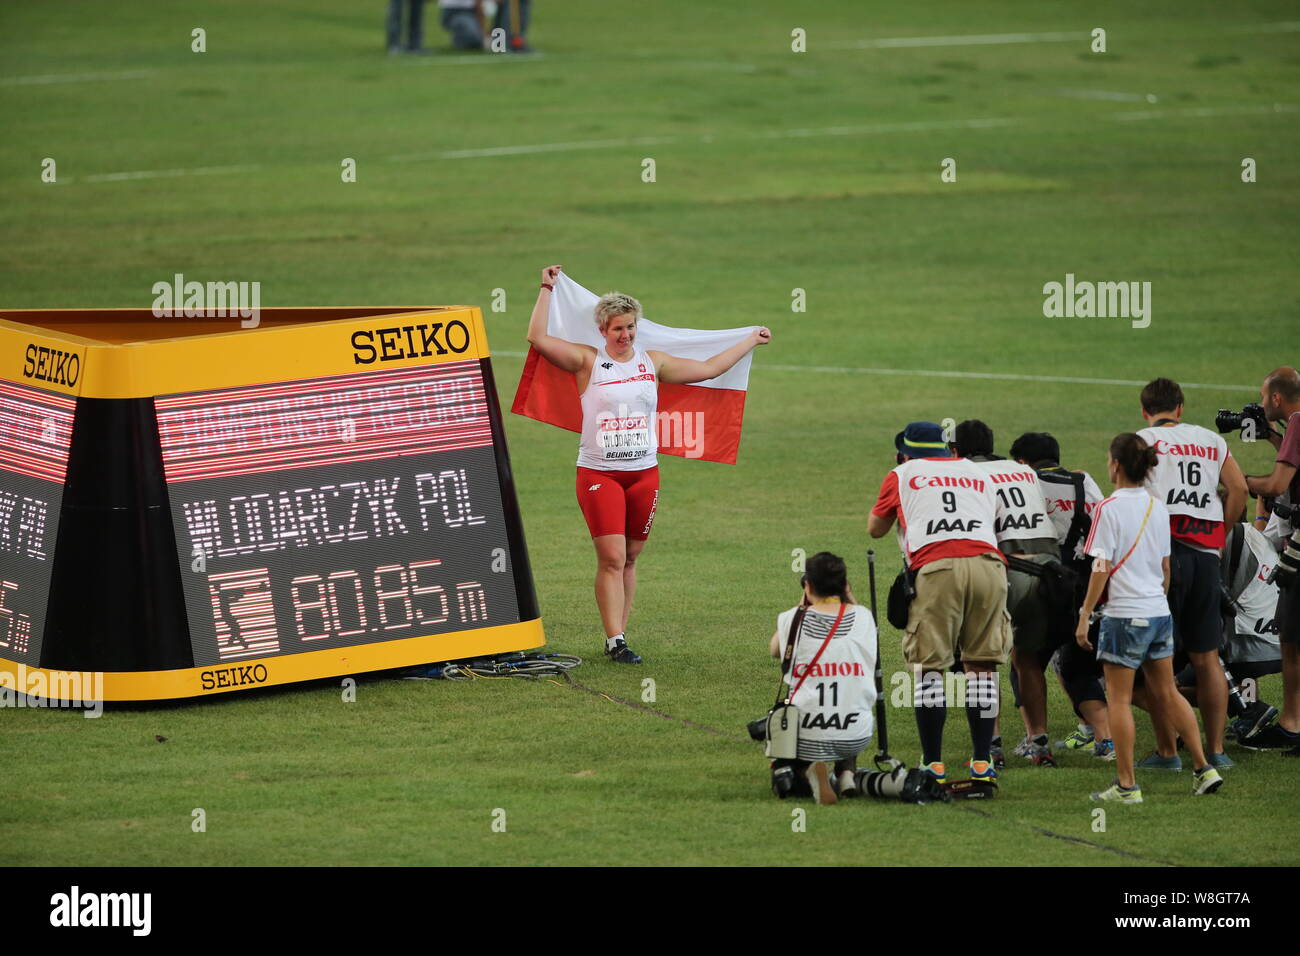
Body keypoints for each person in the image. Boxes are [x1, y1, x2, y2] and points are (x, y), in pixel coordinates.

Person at [525, 265, 770, 664]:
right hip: (598, 474)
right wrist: (546, 288)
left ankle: (621, 636)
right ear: (602, 329)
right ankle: (614, 640)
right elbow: (536, 337)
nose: (626, 335)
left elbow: (709, 370)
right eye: (618, 328)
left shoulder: (652, 363)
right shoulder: (588, 362)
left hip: (644, 474)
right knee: (612, 558)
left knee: (632, 557)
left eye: (631, 328)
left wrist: (749, 341)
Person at [1078, 433, 1224, 803]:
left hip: (1124, 615)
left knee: (1120, 700)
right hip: (1158, 612)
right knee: (1168, 691)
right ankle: (1204, 767)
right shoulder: (1157, 507)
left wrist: (1084, 614)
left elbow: (1101, 566)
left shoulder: (1107, 509)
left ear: (1117, 465)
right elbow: (1164, 568)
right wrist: (1156, 602)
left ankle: (1127, 786)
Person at [869, 421, 1012, 787]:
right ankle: (982, 762)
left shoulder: (901, 473)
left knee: (931, 668)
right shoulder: (977, 472)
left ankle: (933, 765)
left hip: (937, 568)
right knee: (980, 666)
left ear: (906, 452)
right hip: (989, 566)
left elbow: (876, 528)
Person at [1136, 377, 1247, 769]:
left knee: (1157, 658)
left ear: (1145, 411)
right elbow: (1238, 489)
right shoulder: (1211, 440)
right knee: (1207, 658)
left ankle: (1168, 753)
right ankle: (1216, 749)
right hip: (1204, 557)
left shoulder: (1140, 440)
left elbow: (1129, 498)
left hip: (1160, 556)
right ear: (1180, 408)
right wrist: (1219, 535)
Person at [953, 420, 1060, 767]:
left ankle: (991, 746)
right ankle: (1039, 743)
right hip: (1047, 569)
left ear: (955, 451)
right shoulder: (1021, 469)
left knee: (979, 663)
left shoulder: (963, 473)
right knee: (1027, 660)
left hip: (1005, 569)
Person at [1008, 432, 1114, 759]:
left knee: (1025, 661)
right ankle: (1106, 739)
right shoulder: (1084, 481)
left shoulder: (1024, 484)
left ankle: (1035, 740)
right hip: (1086, 589)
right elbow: (1102, 523)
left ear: (1023, 462)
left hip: (1044, 588)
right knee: (1076, 668)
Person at [767, 553, 876, 803]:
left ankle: (808, 771)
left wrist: (802, 604)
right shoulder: (864, 618)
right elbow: (855, 610)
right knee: (848, 697)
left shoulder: (792, 619)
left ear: (808, 585)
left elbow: (775, 650)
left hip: (807, 734)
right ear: (845, 585)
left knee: (784, 727)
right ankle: (847, 772)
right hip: (856, 735)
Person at [1242, 366, 1300, 754]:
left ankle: (1292, 725)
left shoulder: (1298, 420)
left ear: (1276, 398)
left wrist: (1239, 481)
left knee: (1292, 638)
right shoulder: (1294, 426)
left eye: (1265, 398)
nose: (1262, 404)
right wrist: (1271, 438)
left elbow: (1277, 485)